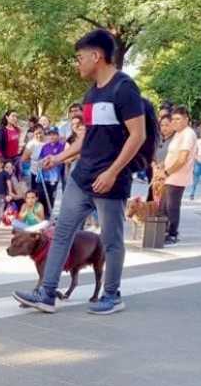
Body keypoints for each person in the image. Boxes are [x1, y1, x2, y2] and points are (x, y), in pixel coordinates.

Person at [13, 29, 147, 315]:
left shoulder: (124, 89)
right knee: (61, 233)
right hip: (82, 177)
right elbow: (87, 137)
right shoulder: (90, 94)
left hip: (110, 180)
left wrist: (112, 172)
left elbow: (138, 136)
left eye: (80, 57)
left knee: (111, 240)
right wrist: (60, 157)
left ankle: (112, 295)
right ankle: (46, 292)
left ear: (97, 56)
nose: (78, 63)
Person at [159, 106, 196, 244]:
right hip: (169, 176)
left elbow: (182, 159)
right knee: (163, 206)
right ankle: (162, 231)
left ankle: (172, 233)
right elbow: (172, 155)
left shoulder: (188, 134)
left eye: (178, 119)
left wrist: (167, 172)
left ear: (186, 119)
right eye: (173, 119)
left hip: (177, 176)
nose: (175, 122)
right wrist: (162, 167)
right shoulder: (178, 134)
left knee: (172, 206)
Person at [36, 129, 65, 218]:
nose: (52, 137)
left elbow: (62, 159)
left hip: (55, 177)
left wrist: (51, 164)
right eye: (50, 135)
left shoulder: (62, 146)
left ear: (58, 135)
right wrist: (43, 164)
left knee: (52, 196)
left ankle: (50, 215)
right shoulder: (45, 146)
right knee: (42, 195)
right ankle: (42, 215)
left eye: (54, 134)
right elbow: (40, 159)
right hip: (44, 177)